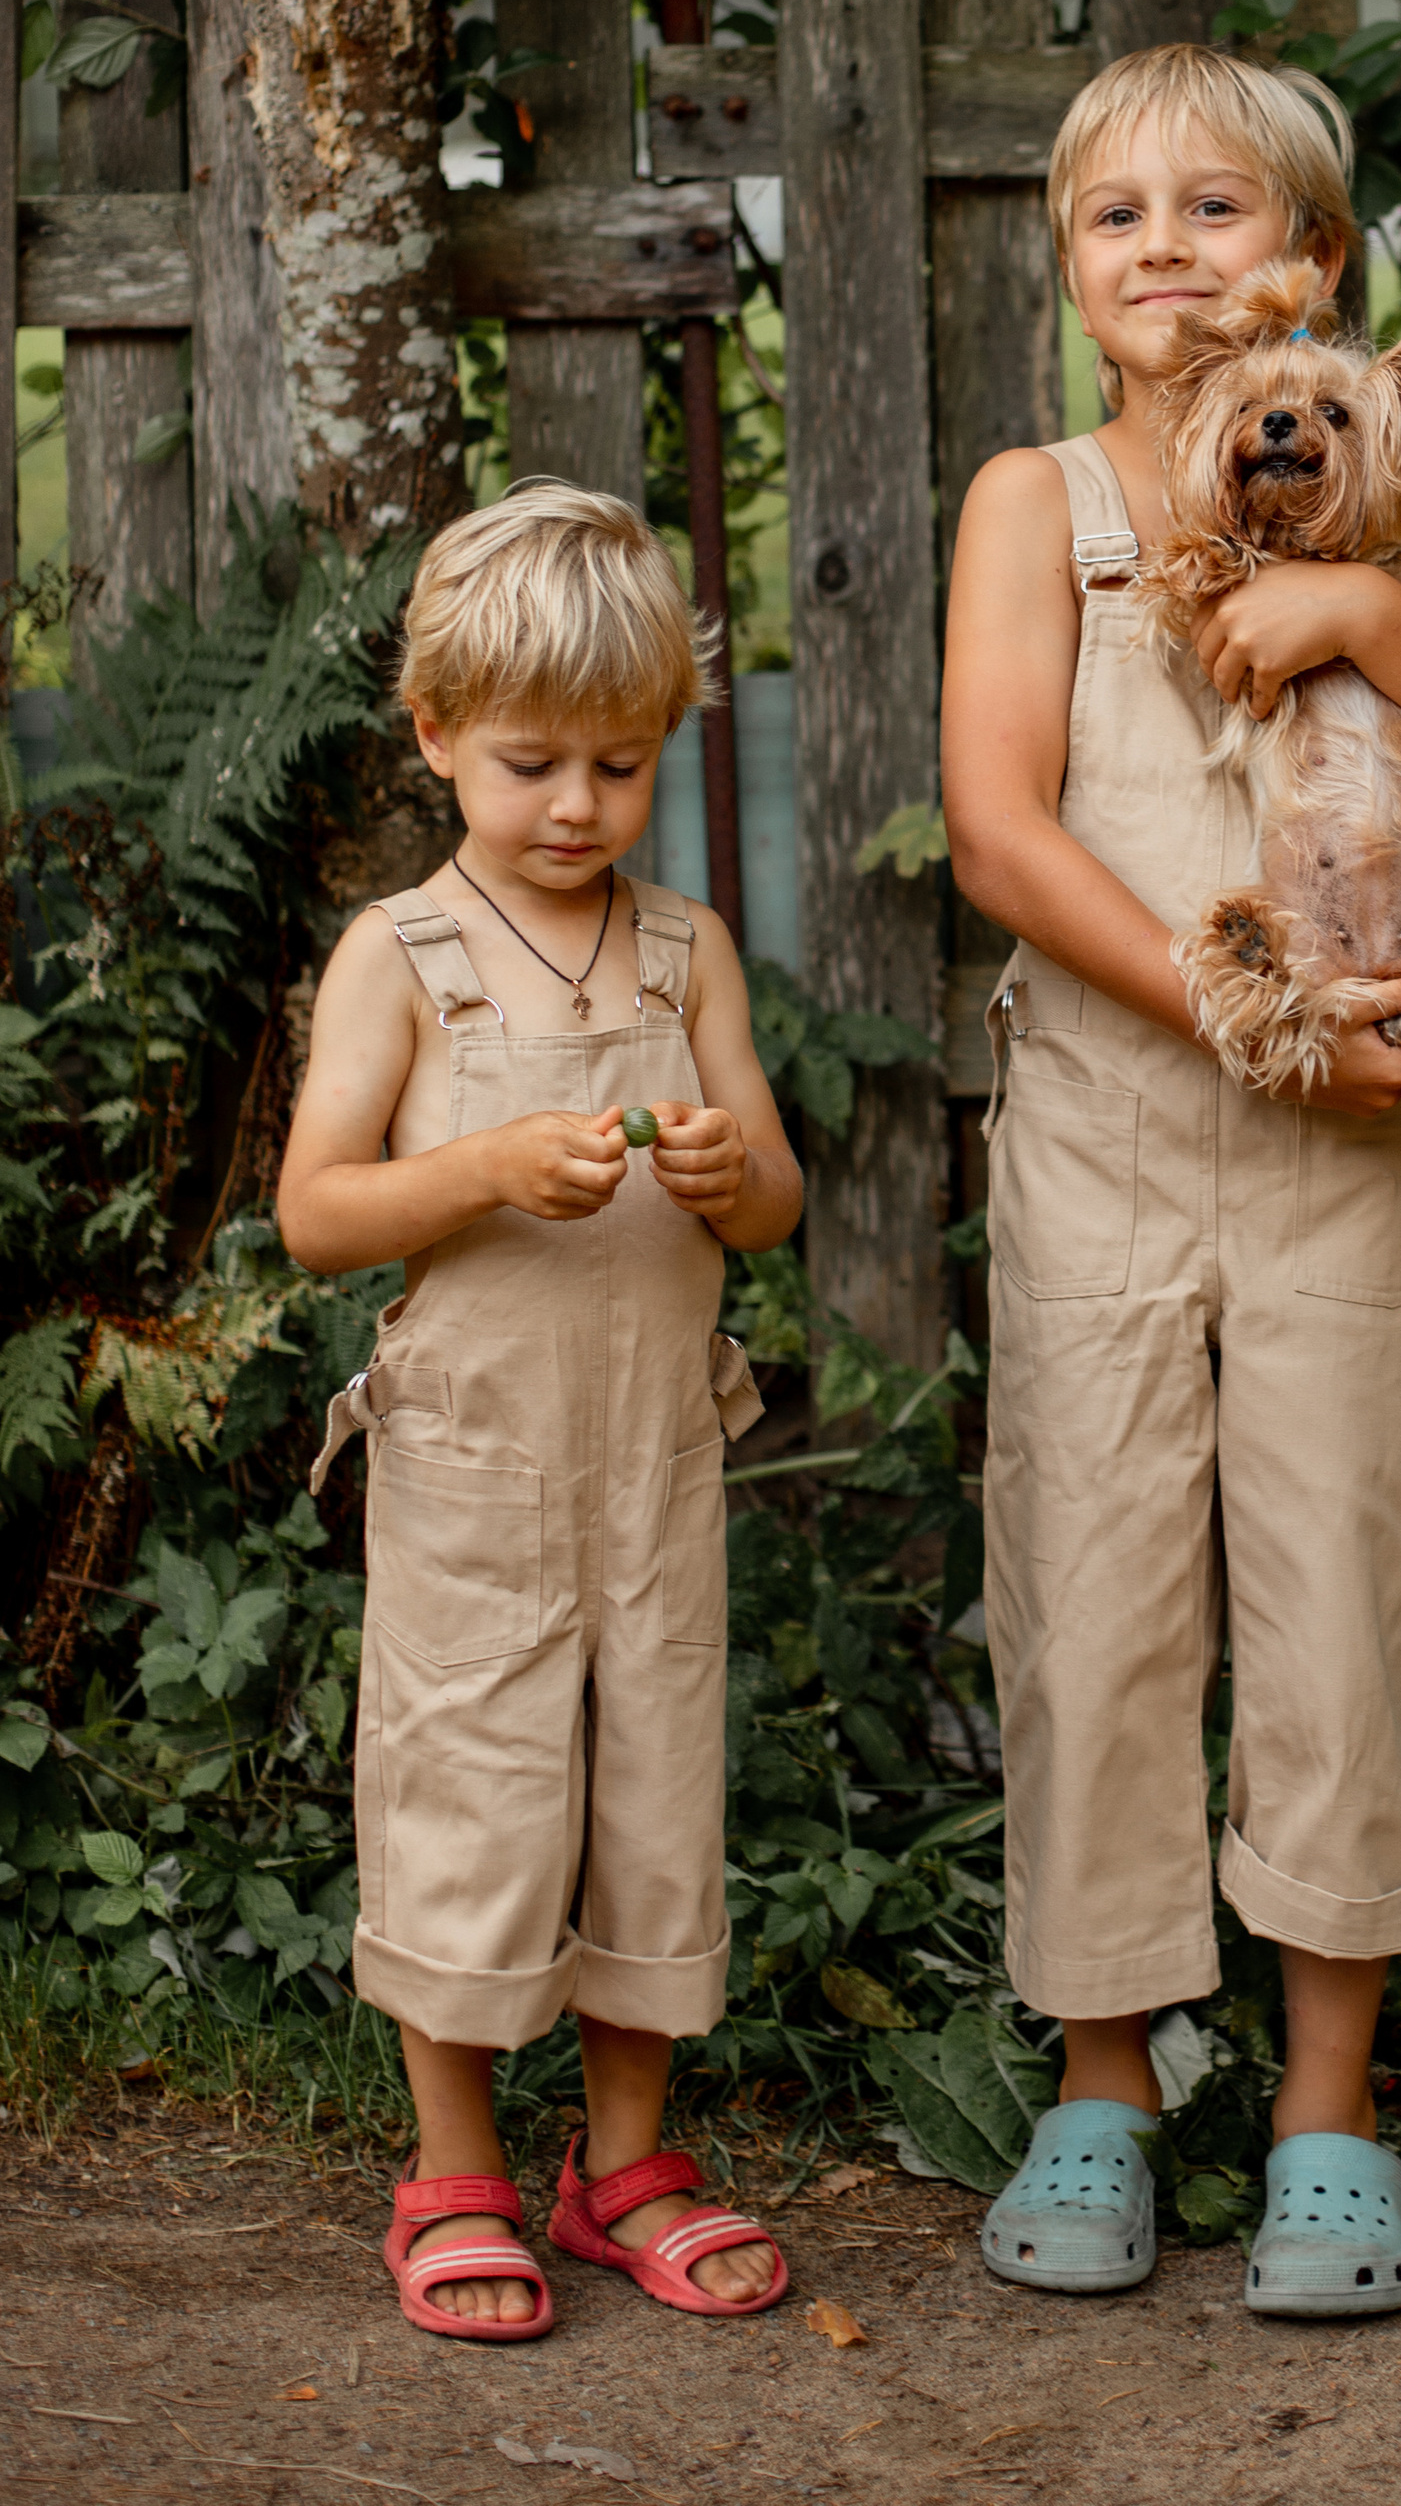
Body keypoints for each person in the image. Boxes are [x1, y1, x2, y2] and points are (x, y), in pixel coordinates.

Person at [942, 43, 1401, 2316]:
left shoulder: (1388, 504)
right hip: (1119, 1141)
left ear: (1313, 263)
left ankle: (1329, 2101)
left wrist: (1368, 625)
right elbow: (1000, 832)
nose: (1163, 254)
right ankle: (1107, 2075)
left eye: (1214, 213)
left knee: (1331, 1587)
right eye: (1114, 220)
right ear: (1069, 272)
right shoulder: (1038, 505)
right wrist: (1251, 1018)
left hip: (1347, 1168)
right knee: (1096, 1592)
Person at [280, 481, 805, 2343]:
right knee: (474, 1792)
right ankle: (457, 2168)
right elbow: (318, 1209)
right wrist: (490, 1164)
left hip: (655, 1451)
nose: (575, 805)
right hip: (477, 1466)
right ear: (435, 739)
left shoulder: (685, 953)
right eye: (530, 765)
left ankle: (626, 2162)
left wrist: (736, 1173)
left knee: (656, 1792)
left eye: (619, 762)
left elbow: (775, 1197)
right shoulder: (401, 956)